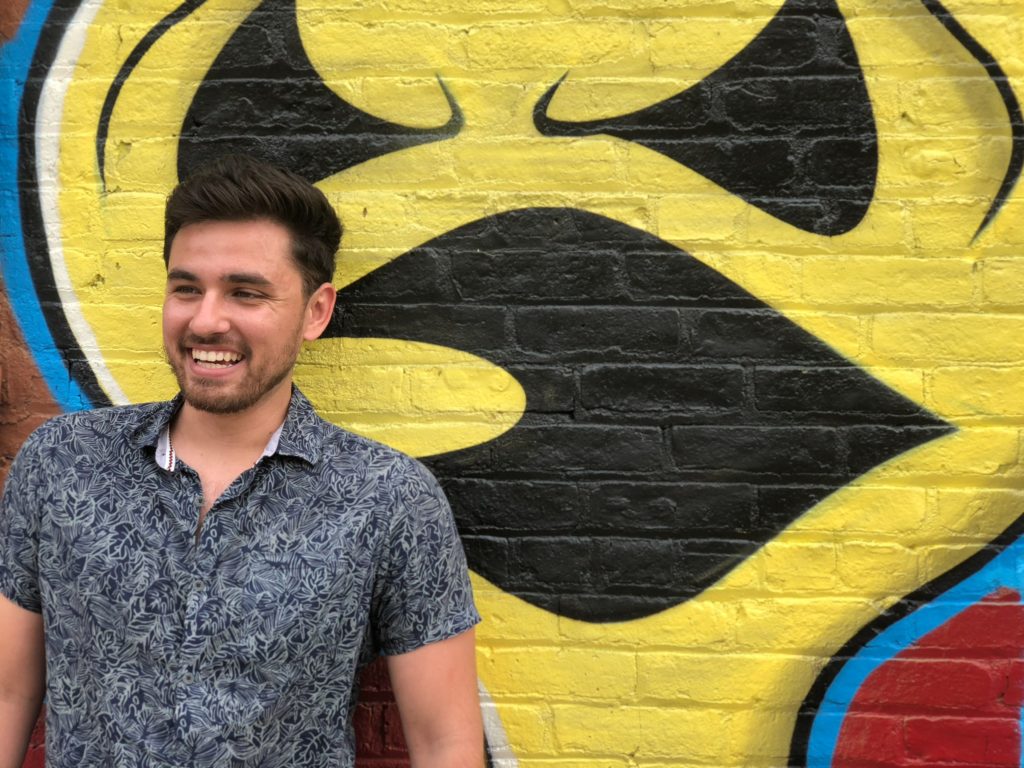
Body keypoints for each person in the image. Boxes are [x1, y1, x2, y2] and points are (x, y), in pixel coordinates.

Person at [0, 155, 483, 768]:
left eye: (245, 293)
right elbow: (9, 691)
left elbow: (447, 745)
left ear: (316, 311)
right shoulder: (62, 463)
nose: (206, 320)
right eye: (186, 289)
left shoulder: (388, 499)